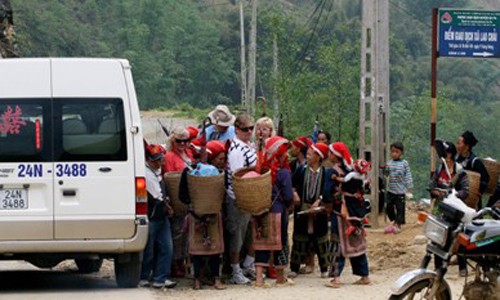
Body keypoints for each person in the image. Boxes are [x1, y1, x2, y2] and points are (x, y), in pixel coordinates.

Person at [181, 141, 228, 290]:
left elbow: (182, 195)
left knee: (200, 251)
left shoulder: (188, 172)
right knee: (212, 249)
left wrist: (193, 203)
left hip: (197, 214)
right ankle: (214, 280)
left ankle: (198, 280)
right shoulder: (218, 174)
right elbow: (223, 192)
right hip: (209, 213)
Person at [327, 142, 371, 288]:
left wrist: (328, 201)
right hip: (356, 210)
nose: (329, 154)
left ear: (336, 155)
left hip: (340, 211)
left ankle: (336, 277)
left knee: (337, 243)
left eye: (331, 152)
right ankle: (364, 275)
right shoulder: (355, 169)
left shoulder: (332, 172)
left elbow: (327, 193)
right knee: (357, 240)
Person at [253, 136, 294, 288]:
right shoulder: (283, 173)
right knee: (280, 242)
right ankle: (280, 278)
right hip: (278, 210)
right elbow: (288, 195)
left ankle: (258, 279)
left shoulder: (260, 170)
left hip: (261, 210)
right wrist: (289, 204)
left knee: (262, 242)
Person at [290, 143, 331, 279]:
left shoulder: (325, 173)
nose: (307, 156)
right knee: (299, 238)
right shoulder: (301, 170)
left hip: (319, 212)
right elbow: (293, 185)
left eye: (310, 153)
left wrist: (319, 201)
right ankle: (294, 267)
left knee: (321, 239)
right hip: (302, 209)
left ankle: (324, 268)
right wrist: (294, 193)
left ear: (318, 157)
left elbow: (327, 191)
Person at [225, 112, 257, 284]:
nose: (249, 132)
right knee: (237, 235)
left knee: (247, 234)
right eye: (245, 129)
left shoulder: (248, 146)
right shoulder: (237, 149)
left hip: (248, 197)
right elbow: (238, 176)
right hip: (238, 197)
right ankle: (235, 270)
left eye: (251, 128)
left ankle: (245, 266)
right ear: (237, 130)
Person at [139, 144, 177, 289]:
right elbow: (157, 196)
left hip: (161, 216)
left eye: (160, 159)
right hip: (152, 216)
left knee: (167, 247)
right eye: (155, 160)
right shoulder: (146, 174)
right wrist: (168, 207)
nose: (159, 163)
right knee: (148, 249)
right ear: (147, 159)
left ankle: (161, 277)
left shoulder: (157, 170)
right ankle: (143, 276)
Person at [430, 140, 469, 277]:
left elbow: (466, 190)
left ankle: (462, 267)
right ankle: (437, 267)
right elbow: (432, 185)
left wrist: (455, 194)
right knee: (436, 237)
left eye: (447, 154)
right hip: (440, 208)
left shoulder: (459, 171)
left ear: (451, 154)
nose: (445, 157)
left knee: (456, 236)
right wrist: (436, 192)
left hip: (455, 208)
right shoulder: (440, 169)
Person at [163, 126, 193, 278]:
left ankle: (184, 260)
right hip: (177, 198)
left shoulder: (188, 153)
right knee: (177, 232)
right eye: (179, 141)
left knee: (187, 233)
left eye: (185, 141)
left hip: (189, 197)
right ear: (173, 141)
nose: (182, 144)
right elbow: (169, 178)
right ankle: (176, 262)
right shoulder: (169, 156)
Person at [384, 142, 413, 234]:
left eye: (397, 152)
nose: (394, 154)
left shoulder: (404, 164)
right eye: (392, 152)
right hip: (391, 190)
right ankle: (393, 219)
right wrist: (385, 170)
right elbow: (386, 174)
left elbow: (408, 175)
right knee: (389, 206)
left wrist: (409, 187)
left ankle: (398, 224)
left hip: (400, 191)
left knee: (400, 208)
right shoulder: (389, 163)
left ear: (401, 153)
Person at [456, 131, 489, 209]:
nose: (456, 146)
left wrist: (477, 191)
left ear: (467, 146)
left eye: (459, 143)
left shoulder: (475, 161)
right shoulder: (458, 159)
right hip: (459, 198)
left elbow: (486, 178)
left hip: (472, 203)